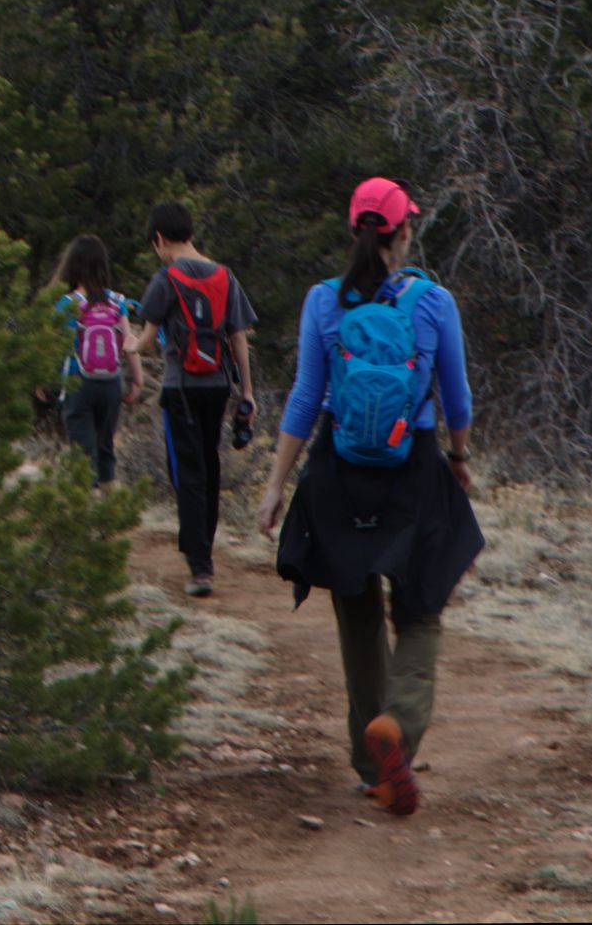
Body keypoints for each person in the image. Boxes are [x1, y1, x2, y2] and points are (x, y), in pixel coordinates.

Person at [256, 176, 484, 817]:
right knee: (420, 609)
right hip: (410, 466)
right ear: (404, 230)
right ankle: (400, 727)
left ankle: (370, 764)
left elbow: (305, 398)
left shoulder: (323, 303)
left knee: (357, 613)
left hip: (337, 470)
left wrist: (276, 486)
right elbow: (457, 400)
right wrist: (458, 459)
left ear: (354, 230)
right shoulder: (433, 303)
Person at [132, 199, 257, 596]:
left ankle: (200, 567)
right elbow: (239, 337)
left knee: (185, 473)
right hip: (217, 386)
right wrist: (247, 393)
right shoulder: (225, 275)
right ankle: (200, 548)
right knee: (208, 466)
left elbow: (149, 340)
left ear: (159, 238)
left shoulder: (165, 278)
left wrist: (127, 345)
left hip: (180, 387)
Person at [53, 233, 144, 489]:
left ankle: (83, 509)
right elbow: (129, 341)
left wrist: (43, 380)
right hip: (111, 382)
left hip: (77, 381)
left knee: (81, 453)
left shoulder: (67, 304)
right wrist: (137, 380)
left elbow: (53, 346)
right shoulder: (116, 301)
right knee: (106, 447)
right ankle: (107, 505)